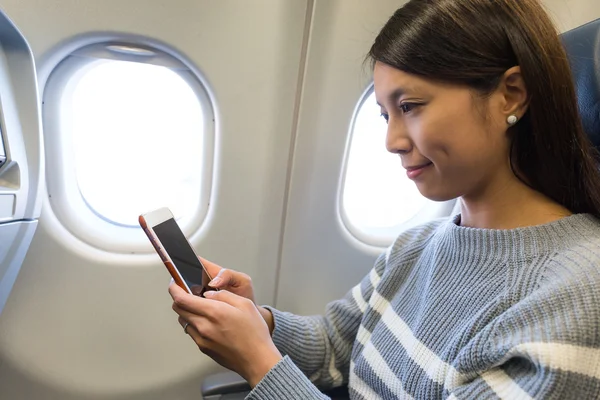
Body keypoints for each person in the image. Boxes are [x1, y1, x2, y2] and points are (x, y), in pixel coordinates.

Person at [169, 0, 600, 398]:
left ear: (512, 94)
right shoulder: (417, 246)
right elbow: (336, 348)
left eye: (410, 106)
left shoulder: (573, 297)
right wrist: (260, 322)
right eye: (384, 114)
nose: (392, 141)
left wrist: (258, 363)